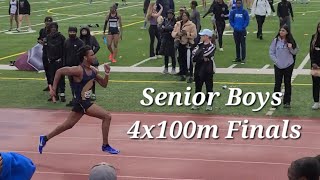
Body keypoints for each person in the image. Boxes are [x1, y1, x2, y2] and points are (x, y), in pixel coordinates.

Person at [39, 45, 120, 155]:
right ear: (85, 58)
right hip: (82, 103)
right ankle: (105, 145)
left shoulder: (93, 71)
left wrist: (107, 73)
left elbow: (104, 84)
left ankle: (45, 138)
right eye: (92, 55)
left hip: (82, 103)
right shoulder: (78, 70)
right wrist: (54, 88)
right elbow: (59, 71)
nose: (94, 56)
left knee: (67, 125)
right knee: (107, 116)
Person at [269, 25, 298, 108]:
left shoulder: (291, 41)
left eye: (283, 31)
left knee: (287, 83)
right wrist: (276, 61)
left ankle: (287, 102)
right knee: (277, 84)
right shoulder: (275, 41)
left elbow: (295, 52)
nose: (281, 32)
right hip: (278, 65)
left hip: (288, 65)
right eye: (280, 30)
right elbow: (271, 52)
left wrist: (291, 48)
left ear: (287, 32)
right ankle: (275, 101)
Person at [191, 29, 216, 111]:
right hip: (199, 68)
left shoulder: (212, 46)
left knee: (209, 87)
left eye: (202, 35)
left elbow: (207, 53)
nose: (201, 37)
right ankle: (197, 103)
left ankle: (209, 104)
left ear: (207, 36)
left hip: (208, 69)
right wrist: (202, 57)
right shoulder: (199, 45)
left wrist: (200, 55)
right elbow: (194, 54)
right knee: (198, 86)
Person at [172, 11, 197, 83]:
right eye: (183, 16)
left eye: (185, 16)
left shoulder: (192, 25)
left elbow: (194, 35)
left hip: (188, 44)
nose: (184, 17)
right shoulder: (178, 24)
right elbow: (173, 33)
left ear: (188, 17)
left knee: (188, 60)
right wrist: (177, 33)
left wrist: (187, 33)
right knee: (180, 59)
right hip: (180, 43)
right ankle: (182, 74)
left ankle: (190, 75)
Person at [45, 22, 66, 102]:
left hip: (59, 61)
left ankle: (62, 94)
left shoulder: (61, 37)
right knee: (52, 78)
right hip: (51, 61)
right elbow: (46, 49)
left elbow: (64, 49)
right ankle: (55, 94)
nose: (53, 29)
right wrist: (48, 58)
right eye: (52, 27)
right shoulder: (48, 37)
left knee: (61, 78)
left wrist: (62, 59)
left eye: (55, 27)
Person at [64, 27, 85, 106]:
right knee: (71, 84)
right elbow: (64, 54)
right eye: (70, 32)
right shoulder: (66, 42)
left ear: (76, 33)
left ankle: (80, 99)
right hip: (69, 67)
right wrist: (64, 64)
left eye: (73, 32)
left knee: (78, 83)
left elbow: (82, 55)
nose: (72, 33)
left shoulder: (80, 42)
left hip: (77, 67)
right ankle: (75, 99)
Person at [80, 26, 101, 101]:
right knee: (84, 78)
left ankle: (93, 93)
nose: (84, 32)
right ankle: (85, 93)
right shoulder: (80, 39)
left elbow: (98, 46)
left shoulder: (92, 38)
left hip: (92, 62)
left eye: (85, 31)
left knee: (92, 77)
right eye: (83, 31)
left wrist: (91, 54)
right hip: (83, 61)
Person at [38, 16, 53, 92]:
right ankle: (49, 85)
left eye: (49, 21)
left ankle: (55, 85)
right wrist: (40, 41)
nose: (48, 23)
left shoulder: (53, 31)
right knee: (46, 69)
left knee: (52, 70)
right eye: (47, 21)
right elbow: (39, 39)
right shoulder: (42, 31)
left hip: (52, 53)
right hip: (45, 52)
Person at [159, 9, 177, 74]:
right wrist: (166, 28)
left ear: (173, 15)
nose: (169, 15)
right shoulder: (165, 20)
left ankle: (173, 68)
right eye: (168, 14)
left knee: (172, 55)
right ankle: (166, 68)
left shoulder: (175, 21)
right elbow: (160, 27)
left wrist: (165, 28)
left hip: (172, 39)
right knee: (166, 54)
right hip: (165, 38)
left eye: (170, 14)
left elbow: (172, 28)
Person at [309, 22, 320, 110]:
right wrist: (313, 63)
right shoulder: (314, 37)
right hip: (315, 65)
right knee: (315, 84)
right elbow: (311, 51)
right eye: (319, 27)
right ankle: (316, 102)